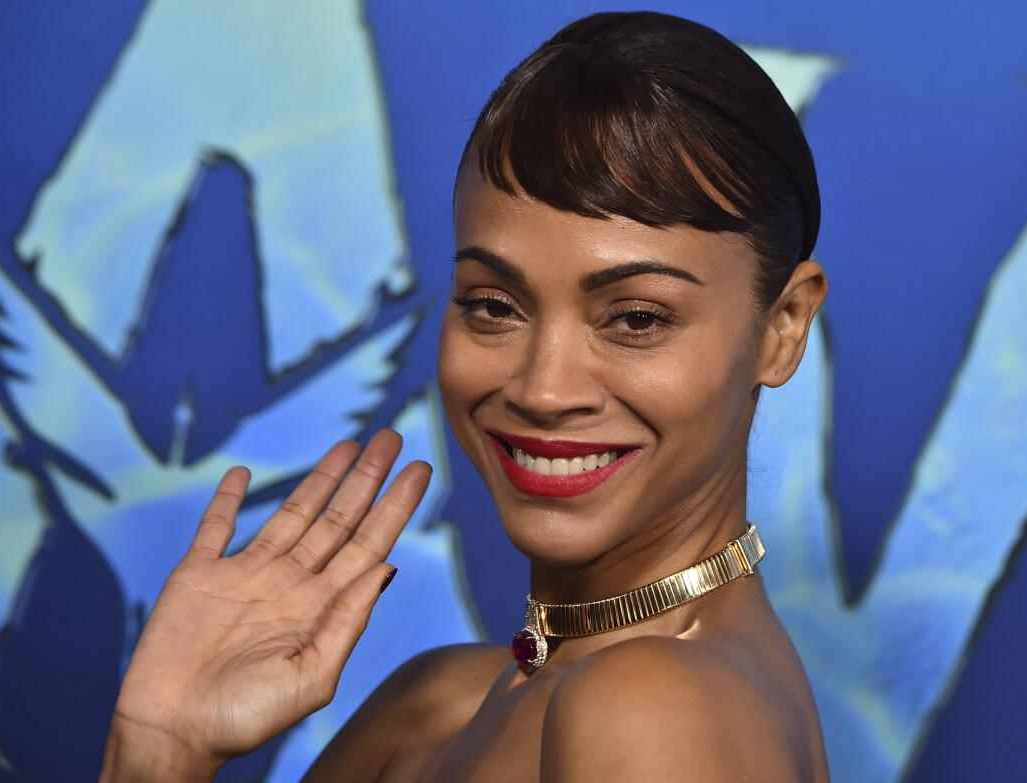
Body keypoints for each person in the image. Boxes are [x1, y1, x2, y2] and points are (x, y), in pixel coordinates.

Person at [99, 10, 830, 782]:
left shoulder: (653, 707)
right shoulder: (436, 702)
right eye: (494, 306)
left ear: (783, 326)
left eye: (636, 318)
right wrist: (159, 745)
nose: (544, 388)